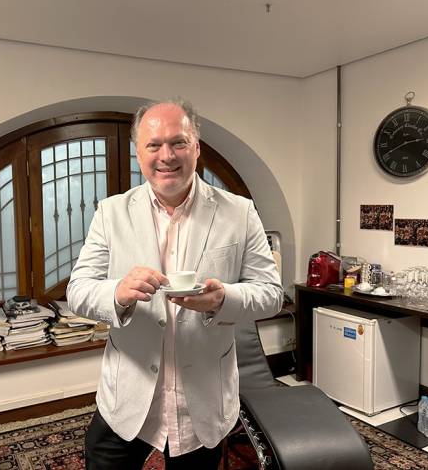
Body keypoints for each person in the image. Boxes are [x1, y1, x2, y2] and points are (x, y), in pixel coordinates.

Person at [67, 99, 283, 470]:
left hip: (201, 402)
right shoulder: (111, 212)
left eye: (178, 142)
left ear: (196, 148)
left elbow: (271, 294)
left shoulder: (239, 212)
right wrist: (117, 293)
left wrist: (223, 299)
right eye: (153, 145)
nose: (166, 155)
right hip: (127, 397)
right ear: (138, 153)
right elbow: (78, 290)